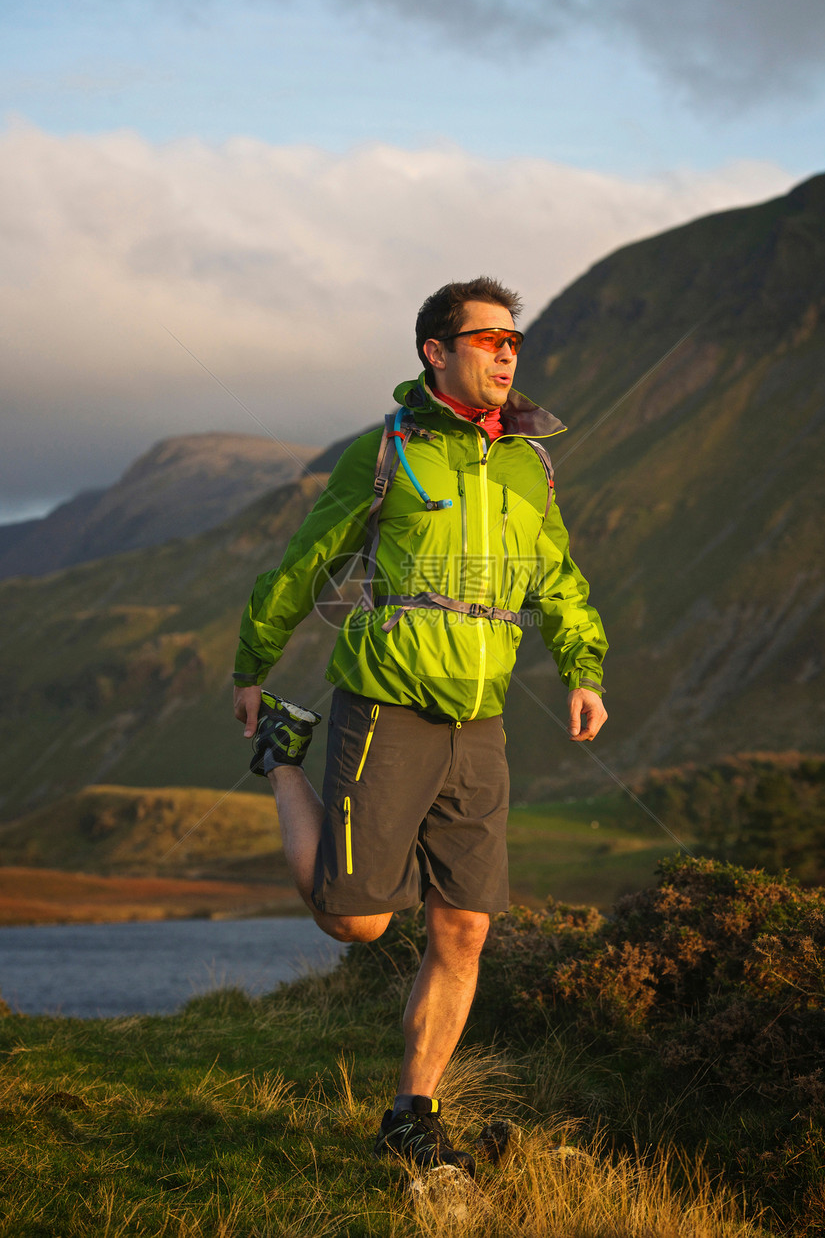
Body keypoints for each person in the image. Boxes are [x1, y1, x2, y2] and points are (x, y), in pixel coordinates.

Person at [232, 277, 608, 1175]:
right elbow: (305, 561)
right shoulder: (386, 450)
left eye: (515, 341)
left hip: (480, 724)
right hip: (387, 703)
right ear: (436, 352)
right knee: (355, 924)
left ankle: (412, 1113)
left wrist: (582, 669)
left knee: (464, 930)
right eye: (489, 340)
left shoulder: (529, 463)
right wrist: (254, 661)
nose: (507, 353)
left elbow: (558, 579)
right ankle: (283, 758)